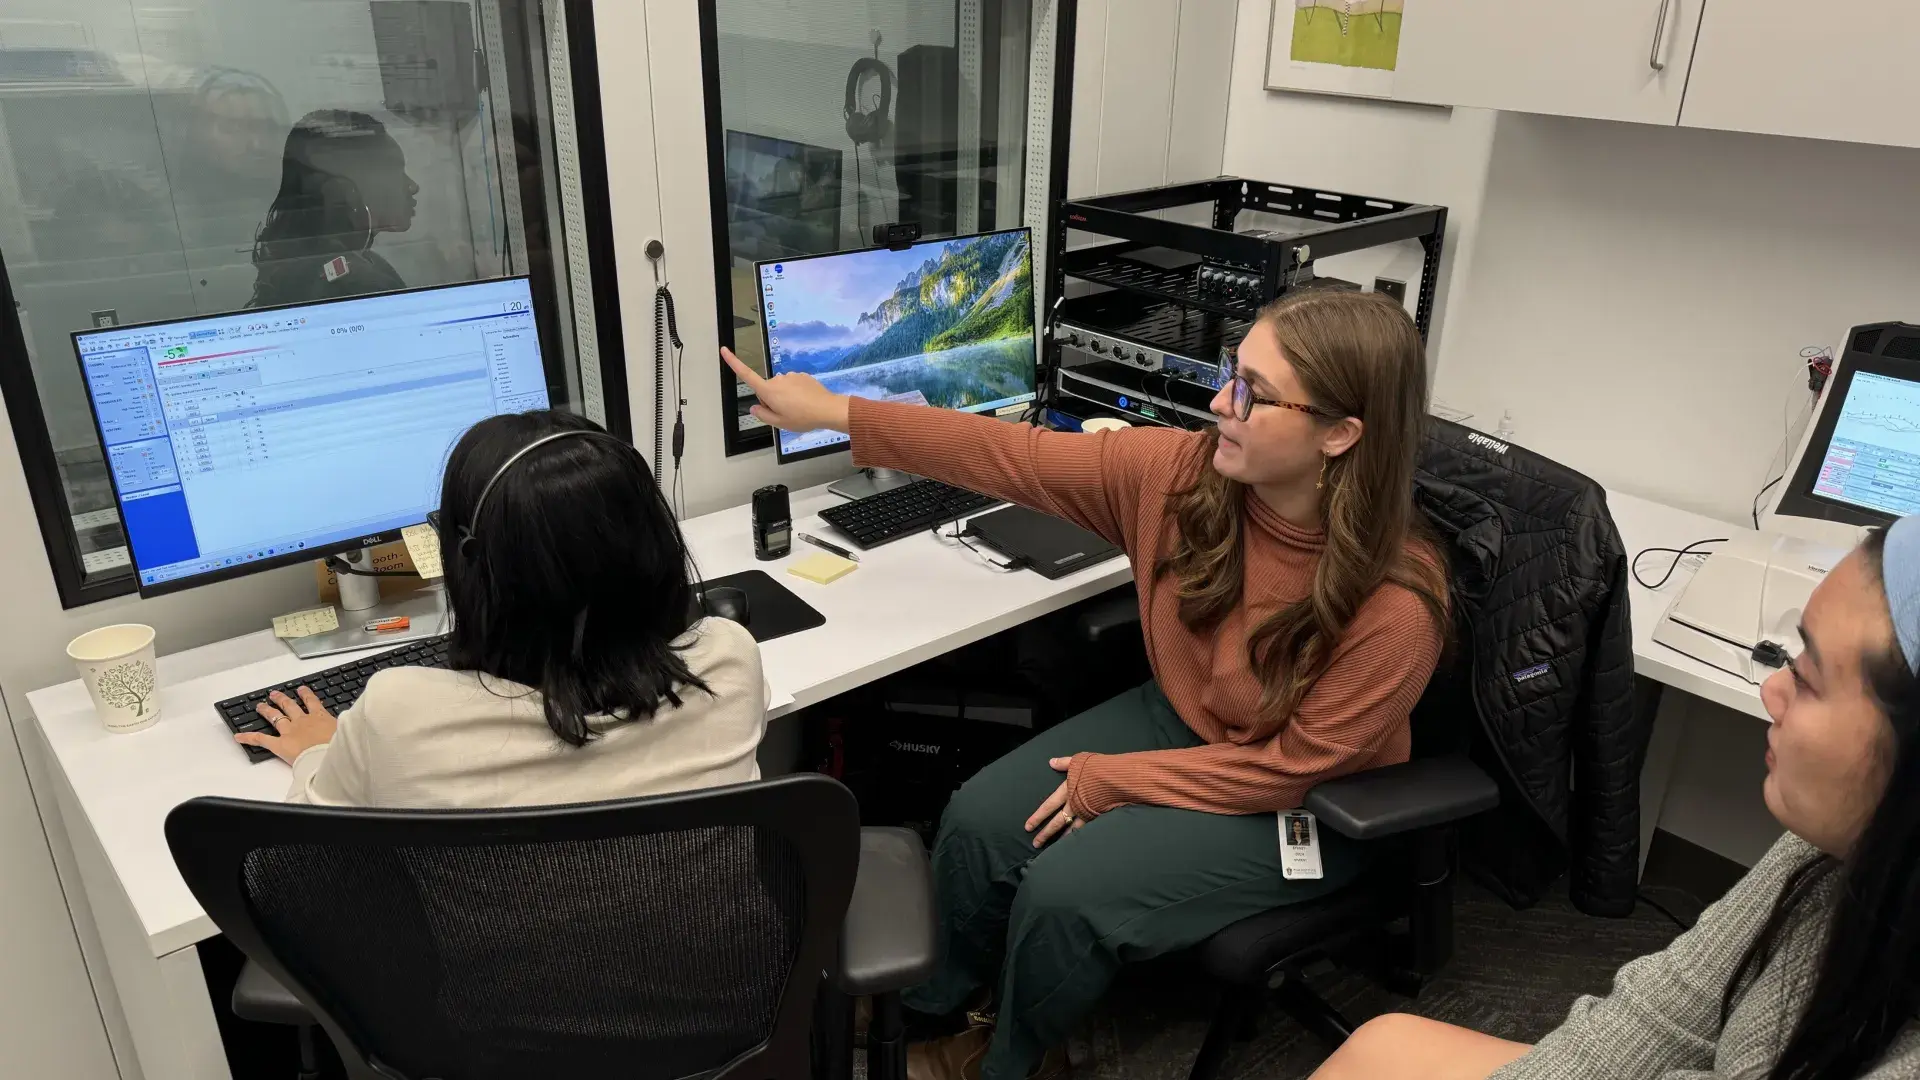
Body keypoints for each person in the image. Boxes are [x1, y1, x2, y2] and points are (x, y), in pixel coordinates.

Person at [723, 287, 1449, 1080]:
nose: (1218, 402)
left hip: (1305, 801)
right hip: (1190, 723)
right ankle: (928, 1005)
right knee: (974, 821)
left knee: (1066, 895)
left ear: (1340, 434)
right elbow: (1012, 456)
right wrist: (838, 411)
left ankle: (1011, 1061)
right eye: (1230, 372)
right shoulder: (1179, 474)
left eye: (1253, 393)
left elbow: (1292, 769)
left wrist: (1119, 782)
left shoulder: (1397, 602)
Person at [1309, 518, 1920, 1080]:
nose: (1772, 692)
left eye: (1809, 680)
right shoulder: (1825, 853)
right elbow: (1663, 1017)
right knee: (1383, 1045)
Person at [232, 410, 769, 808]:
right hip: (706, 953)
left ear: (473, 567)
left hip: (495, 965)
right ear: (654, 544)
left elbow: (316, 844)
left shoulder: (398, 714)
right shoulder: (728, 659)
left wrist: (316, 754)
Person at [248, 109, 419, 308]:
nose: (413, 186)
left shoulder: (313, 268)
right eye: (395, 171)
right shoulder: (353, 283)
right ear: (345, 191)